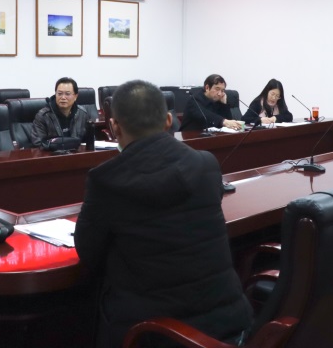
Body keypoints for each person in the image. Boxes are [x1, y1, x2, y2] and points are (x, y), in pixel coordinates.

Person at [74, 80, 253, 348]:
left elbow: (89, 253)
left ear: (114, 128)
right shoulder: (206, 164)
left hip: (155, 336)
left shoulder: (106, 180)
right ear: (169, 120)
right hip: (232, 328)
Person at [31, 77, 92, 148]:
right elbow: (38, 143)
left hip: (77, 153)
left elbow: (89, 140)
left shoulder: (82, 113)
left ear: (75, 96)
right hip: (53, 154)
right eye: (59, 94)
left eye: (67, 94)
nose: (63, 97)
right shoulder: (43, 116)